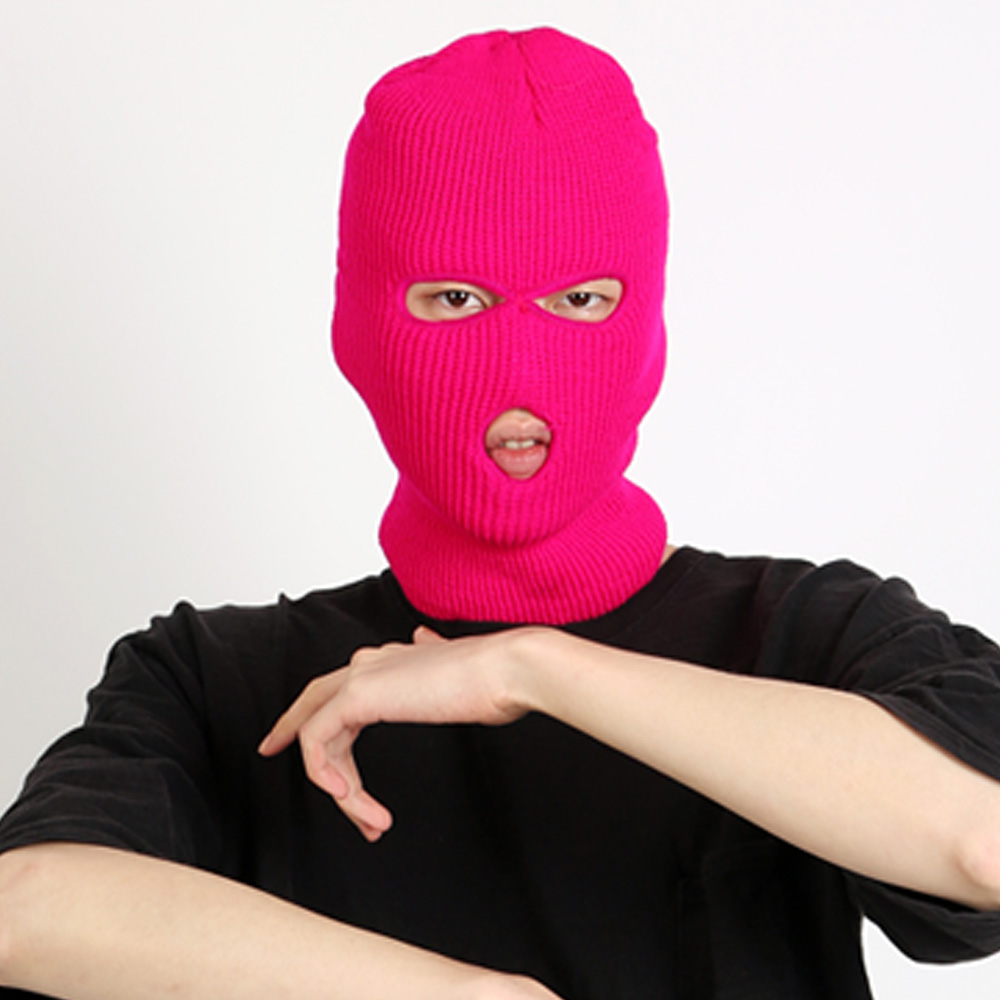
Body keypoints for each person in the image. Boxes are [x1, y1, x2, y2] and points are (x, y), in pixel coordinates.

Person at [1, 26, 999, 1000]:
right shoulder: (221, 678)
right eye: (455, 299)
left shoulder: (806, 634)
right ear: (359, 328)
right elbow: (26, 909)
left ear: (646, 326)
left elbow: (983, 841)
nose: (520, 369)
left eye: (580, 300)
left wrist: (530, 667)